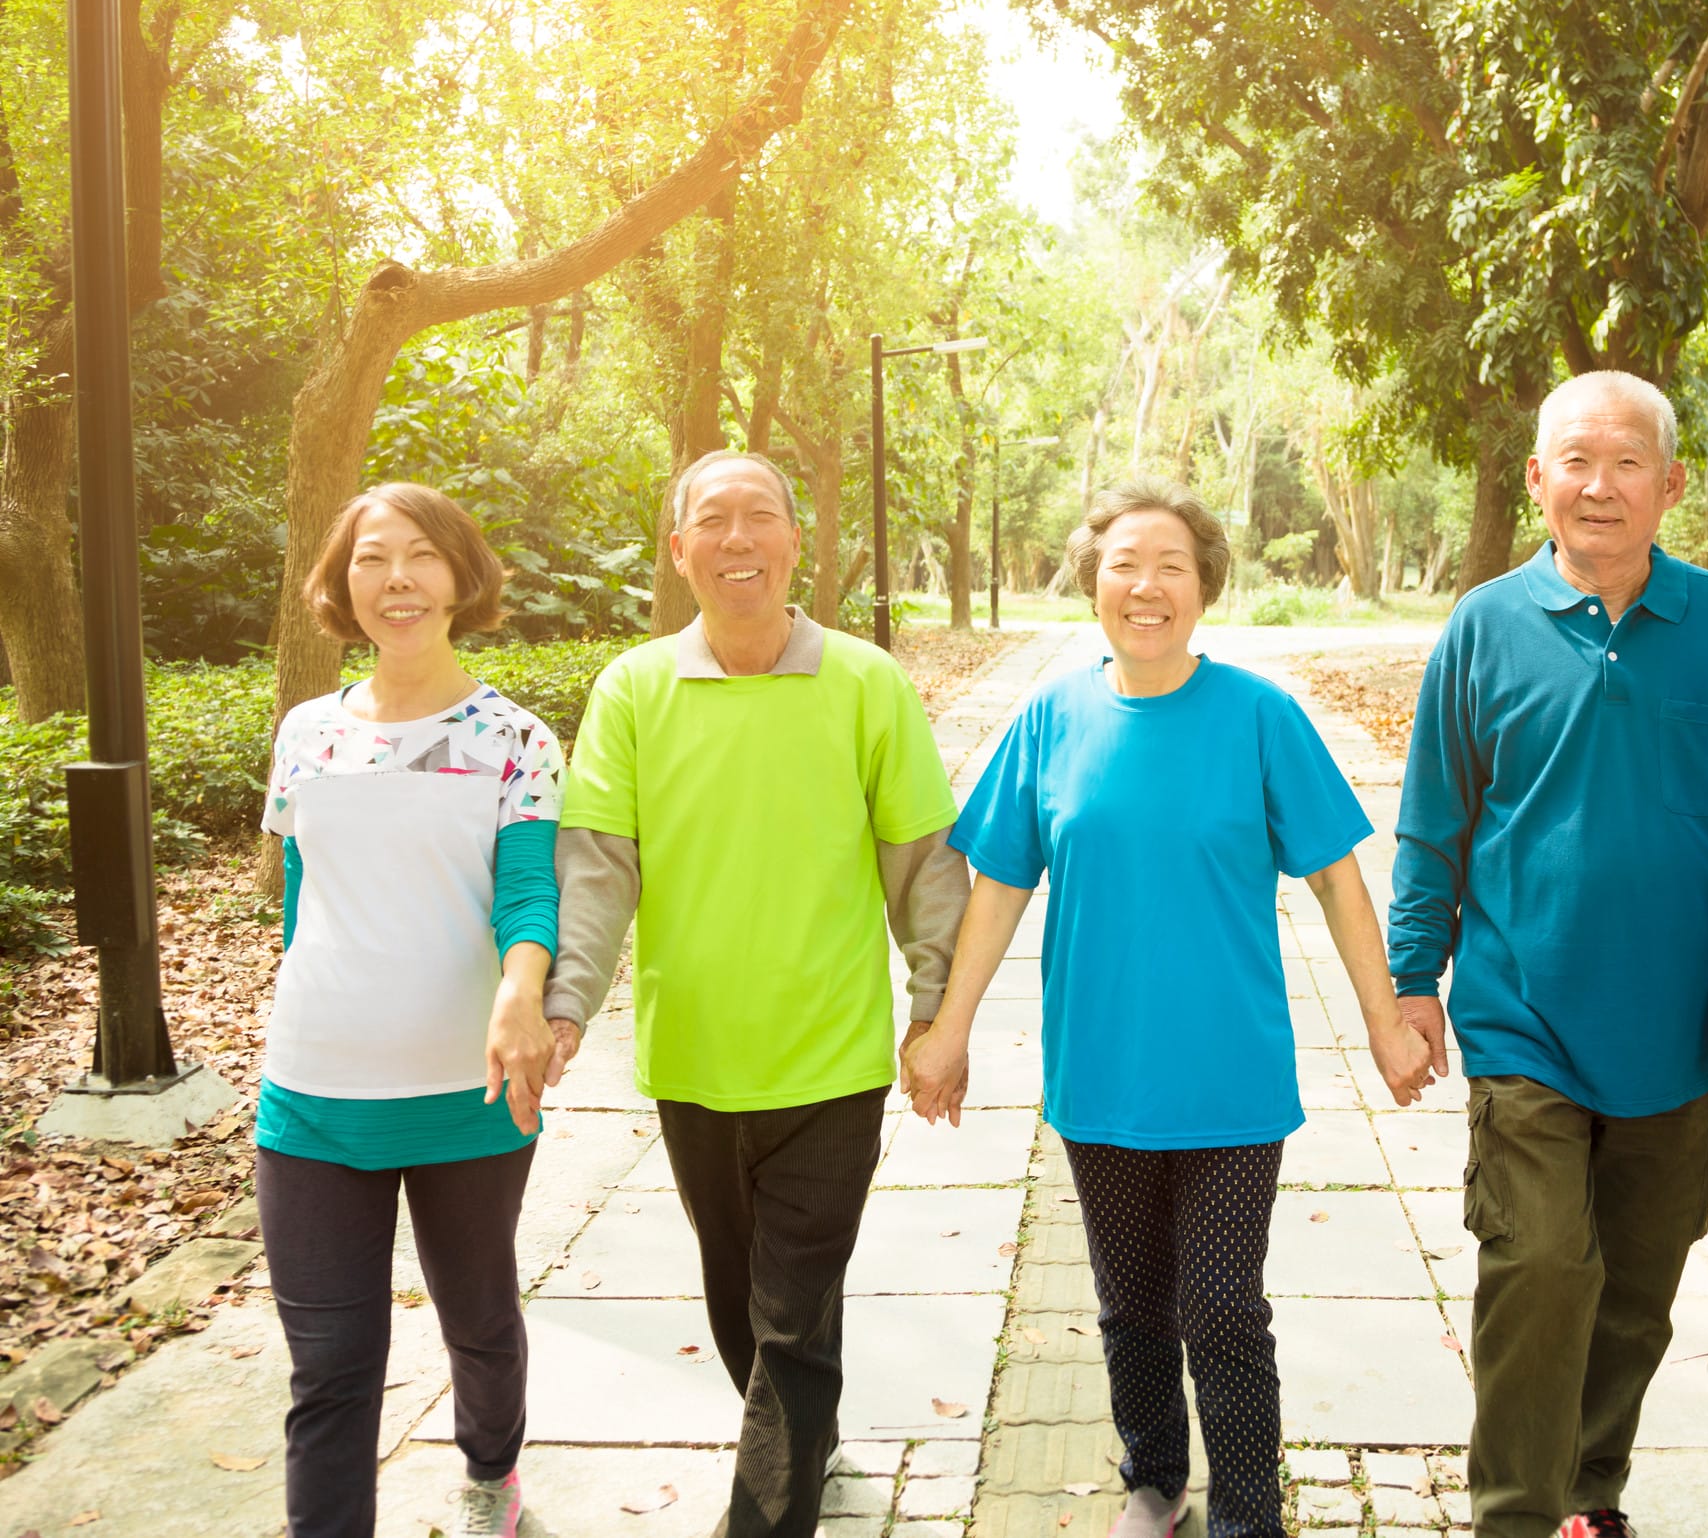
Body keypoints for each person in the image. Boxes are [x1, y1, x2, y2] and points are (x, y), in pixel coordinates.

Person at [905, 478, 1433, 1538]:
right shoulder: (1052, 718)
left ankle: (1248, 1515)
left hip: (1231, 1076)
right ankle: (1155, 1478)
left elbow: (1335, 876)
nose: (1146, 586)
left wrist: (1386, 1021)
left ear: (1203, 589)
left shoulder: (1258, 715)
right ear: (1092, 583)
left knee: (1224, 1308)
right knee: (1131, 1308)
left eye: (1171, 568)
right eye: (1123, 566)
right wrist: (948, 1030)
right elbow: (1001, 881)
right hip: (1099, 1072)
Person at [1387, 371, 1708, 1538]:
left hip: (1675, 1029)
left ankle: (1589, 1491)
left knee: (1635, 1287)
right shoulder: (1483, 625)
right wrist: (1413, 983)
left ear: (1670, 485)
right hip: (1525, 1016)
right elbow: (1434, 826)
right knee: (1538, 1270)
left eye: (1627, 463)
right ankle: (1514, 1515)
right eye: (1575, 460)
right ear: (1537, 480)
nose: (1599, 485)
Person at [543, 450, 967, 1538]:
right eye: (713, 521)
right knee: (741, 1311)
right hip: (692, 1063)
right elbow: (598, 868)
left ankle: (769, 1512)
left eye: (761, 517)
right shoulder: (633, 690)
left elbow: (923, 861)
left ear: (794, 542)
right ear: (679, 550)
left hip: (832, 1063)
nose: (739, 538)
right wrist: (565, 1007)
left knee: (791, 1326)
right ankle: (801, 1449)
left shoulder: (865, 681)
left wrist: (937, 1016)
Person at [257, 483, 565, 1538]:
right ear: (343, 587)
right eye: (372, 559)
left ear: (459, 577)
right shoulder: (306, 733)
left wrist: (521, 996)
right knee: (331, 1369)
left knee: (477, 1321)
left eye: (423, 555)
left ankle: (491, 1475)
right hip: (313, 1090)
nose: (398, 579)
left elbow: (529, 891)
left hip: (468, 1088)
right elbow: (306, 897)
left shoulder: (514, 737)